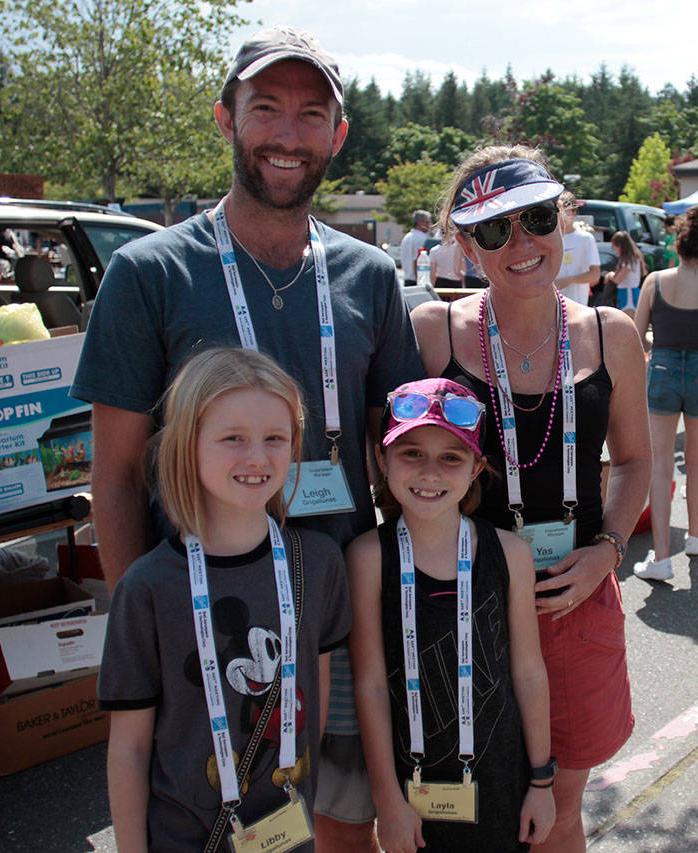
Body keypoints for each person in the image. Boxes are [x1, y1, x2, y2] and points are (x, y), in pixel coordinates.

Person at [72, 26, 424, 851]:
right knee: (218, 829)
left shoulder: (371, 275)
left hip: (338, 620)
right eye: (265, 108)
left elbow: (398, 456)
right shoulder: (149, 273)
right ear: (226, 117)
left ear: (338, 135)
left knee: (341, 828)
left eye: (311, 115)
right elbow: (115, 477)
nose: (287, 135)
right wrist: (153, 634)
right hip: (210, 631)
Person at [409, 145, 650, 852]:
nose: (521, 244)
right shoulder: (432, 334)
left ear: (563, 220)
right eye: (494, 230)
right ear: (464, 246)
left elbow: (635, 461)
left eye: (538, 219)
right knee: (469, 815)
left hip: (572, 600)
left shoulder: (610, 334)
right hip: (463, 610)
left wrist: (608, 551)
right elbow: (397, 470)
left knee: (559, 813)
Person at [101, 347, 352, 852]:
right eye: (233, 437)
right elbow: (129, 746)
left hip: (287, 832)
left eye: (275, 438)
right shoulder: (147, 588)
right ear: (187, 444)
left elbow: (317, 692)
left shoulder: (318, 563)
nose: (257, 457)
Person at [349, 378, 555, 853]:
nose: (430, 473)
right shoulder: (367, 558)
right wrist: (387, 799)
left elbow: (528, 672)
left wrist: (542, 782)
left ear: (476, 468)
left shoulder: (510, 554)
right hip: (410, 789)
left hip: (501, 783)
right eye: (411, 453)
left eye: (451, 458)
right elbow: (371, 686)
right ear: (381, 460)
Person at [630, 205, 698, 582]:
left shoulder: (655, 282)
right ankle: (694, 536)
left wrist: (658, 353)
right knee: (697, 459)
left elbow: (637, 335)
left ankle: (660, 556)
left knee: (661, 464)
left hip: (663, 369)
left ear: (677, 245)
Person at [553, 191, 600, 306]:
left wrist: (569, 280)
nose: (562, 214)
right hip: (553, 304)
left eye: (566, 209)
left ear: (574, 212)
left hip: (578, 304)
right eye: (558, 210)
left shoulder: (585, 238)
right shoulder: (550, 240)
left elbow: (595, 275)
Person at [608, 230, 645, 315]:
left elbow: (618, 279)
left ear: (620, 246)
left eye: (615, 247)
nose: (615, 250)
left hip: (628, 293)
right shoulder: (632, 257)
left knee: (629, 319)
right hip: (628, 292)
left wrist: (610, 275)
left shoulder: (629, 259)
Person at [401, 210, 432, 286]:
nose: (429, 225)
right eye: (427, 222)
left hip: (407, 278)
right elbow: (417, 260)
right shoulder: (421, 238)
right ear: (420, 223)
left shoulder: (407, 237)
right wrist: (420, 281)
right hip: (416, 280)